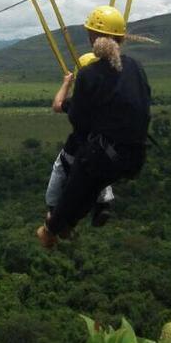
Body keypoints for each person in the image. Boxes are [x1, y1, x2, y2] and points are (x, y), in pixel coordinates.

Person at [37, 5, 151, 248]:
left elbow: (79, 120)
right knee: (92, 180)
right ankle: (97, 207)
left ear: (92, 37)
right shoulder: (136, 67)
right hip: (136, 155)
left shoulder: (90, 74)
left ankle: (52, 228)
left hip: (106, 156)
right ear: (121, 37)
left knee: (79, 180)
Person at [44, 53, 114, 233]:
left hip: (76, 150)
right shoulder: (112, 99)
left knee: (59, 169)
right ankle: (104, 203)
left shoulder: (79, 102)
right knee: (101, 171)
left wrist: (67, 83)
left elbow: (57, 105)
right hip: (102, 149)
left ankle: (53, 209)